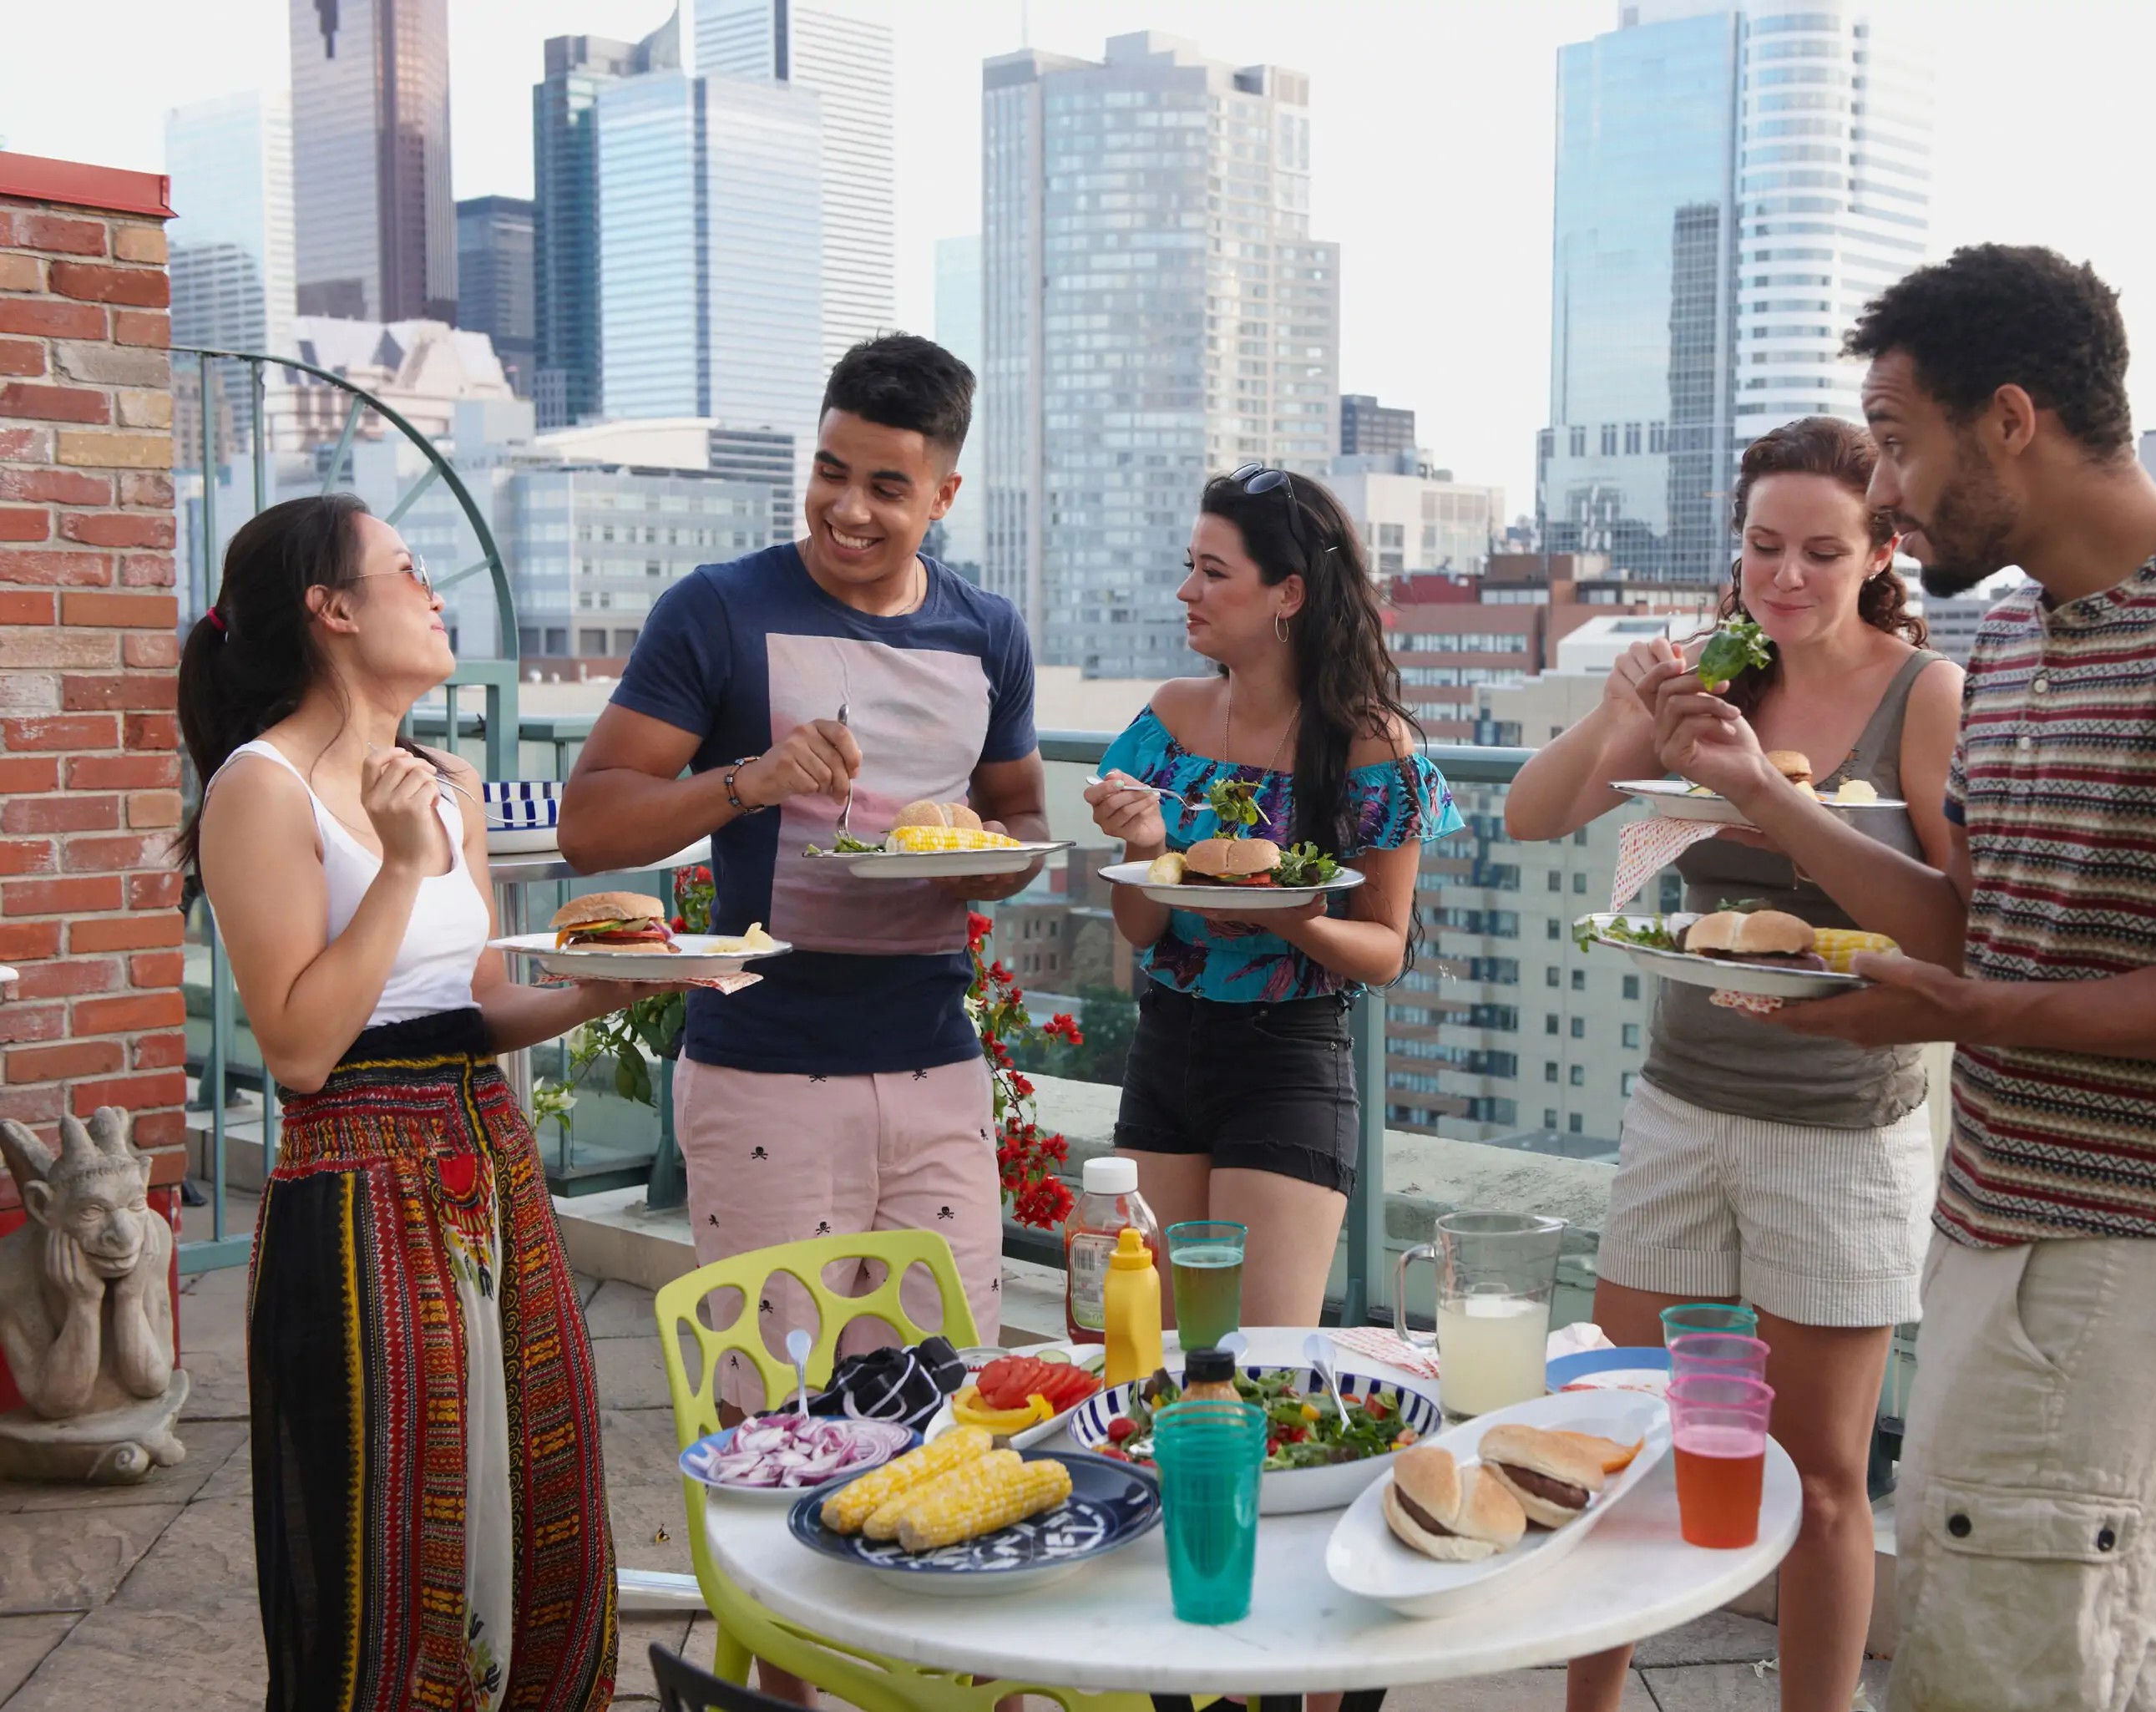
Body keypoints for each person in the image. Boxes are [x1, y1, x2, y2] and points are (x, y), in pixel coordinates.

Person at [1652, 246, 2156, 1711]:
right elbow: (1982, 924)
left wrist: (1974, 1017)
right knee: (1990, 1656)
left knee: (2024, 1675)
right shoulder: (2017, 634)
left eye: (1902, 444)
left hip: (2133, 1247)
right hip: (1991, 1221)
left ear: (2011, 418)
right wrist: (1773, 802)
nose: (1892, 497)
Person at [1507, 417, 1960, 1712]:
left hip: (1843, 1122)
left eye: (1824, 549)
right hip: (1682, 1101)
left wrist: (1774, 794)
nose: (1787, 576)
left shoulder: (1921, 693)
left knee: (1819, 1474)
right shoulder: (1721, 667)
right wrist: (1622, 716)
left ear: (1880, 551)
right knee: (1625, 1429)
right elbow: (1539, 816)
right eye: (1764, 546)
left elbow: (1952, 915)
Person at [179, 494, 653, 1711]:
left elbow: (474, 998)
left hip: (485, 1160)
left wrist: (604, 988)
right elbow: (296, 1045)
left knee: (528, 1508)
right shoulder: (260, 785)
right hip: (357, 1193)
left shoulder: (443, 783)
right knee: (387, 1546)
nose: (434, 592)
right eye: (406, 569)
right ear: (330, 610)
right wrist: (396, 865)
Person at [560, 333, 1036, 1349]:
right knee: (776, 1411)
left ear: (943, 496)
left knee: (949, 1406)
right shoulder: (719, 609)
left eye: (885, 486)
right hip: (763, 1067)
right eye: (830, 471)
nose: (847, 508)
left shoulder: (989, 632)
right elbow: (590, 821)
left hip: (938, 1065)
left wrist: (998, 861)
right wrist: (752, 780)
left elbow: (1024, 820)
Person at [1082, 467, 1461, 1327]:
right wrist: (1144, 843)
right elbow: (1142, 928)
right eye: (1191, 566)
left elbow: (1388, 949)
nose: (1188, 590)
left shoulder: (1368, 743)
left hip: (1288, 1059)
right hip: (1166, 1042)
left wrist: (1302, 919)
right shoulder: (1169, 718)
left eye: (1214, 572)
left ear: (1288, 591)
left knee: (1252, 1362)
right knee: (1151, 1354)